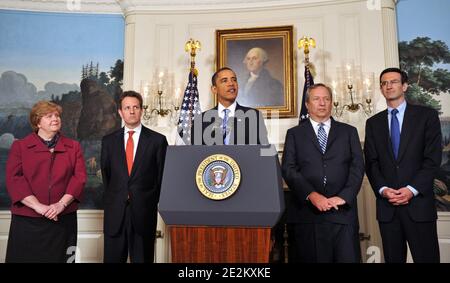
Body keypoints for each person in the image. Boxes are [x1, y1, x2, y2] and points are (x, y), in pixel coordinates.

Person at [364, 67, 442, 263]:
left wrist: (411, 189)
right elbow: (371, 163)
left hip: (419, 206)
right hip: (388, 209)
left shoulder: (427, 116)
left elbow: (432, 160)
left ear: (405, 86)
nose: (388, 86)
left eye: (394, 81)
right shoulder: (373, 123)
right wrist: (383, 190)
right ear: (381, 89)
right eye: (384, 83)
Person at [281, 83, 364, 263]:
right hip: (307, 215)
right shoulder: (294, 134)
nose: (322, 103)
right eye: (316, 99)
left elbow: (357, 167)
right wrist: (311, 195)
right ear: (307, 104)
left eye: (326, 99)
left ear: (331, 103)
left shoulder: (349, 132)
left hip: (342, 213)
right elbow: (288, 168)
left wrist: (344, 197)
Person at [5, 100, 86, 263]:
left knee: (65, 260)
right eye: (49, 116)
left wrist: (60, 205)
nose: (55, 119)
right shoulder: (19, 147)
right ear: (37, 122)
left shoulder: (73, 146)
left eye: (57, 115)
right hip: (27, 222)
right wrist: (39, 207)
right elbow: (14, 180)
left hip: (63, 221)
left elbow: (79, 178)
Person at [101, 90, 168, 263]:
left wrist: (150, 201)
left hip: (144, 212)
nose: (131, 111)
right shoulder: (108, 141)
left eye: (135, 107)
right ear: (120, 112)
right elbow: (107, 177)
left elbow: (162, 179)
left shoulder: (157, 141)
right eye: (127, 107)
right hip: (115, 214)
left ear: (142, 110)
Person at [191, 67, 269, 145]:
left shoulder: (254, 116)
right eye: (224, 81)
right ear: (214, 89)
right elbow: (195, 153)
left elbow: (262, 151)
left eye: (234, 80)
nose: (231, 83)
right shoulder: (200, 120)